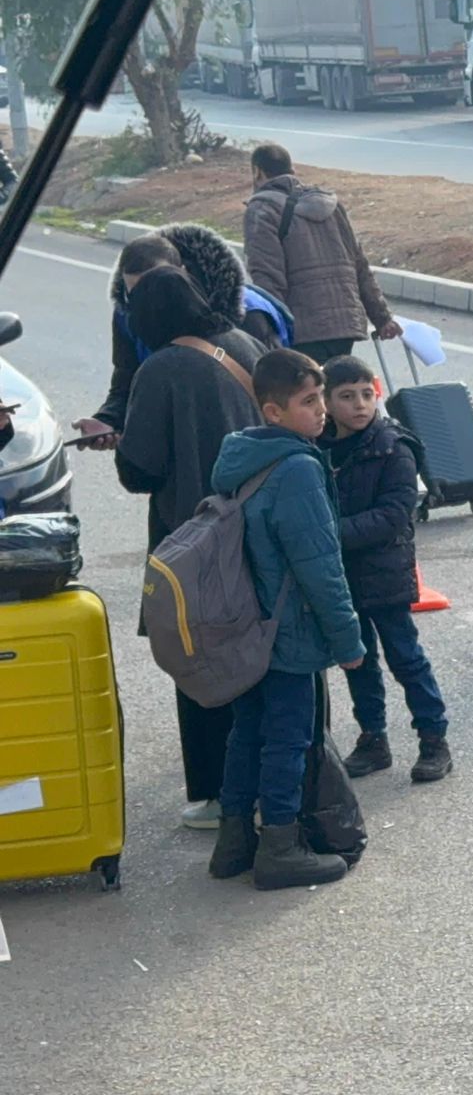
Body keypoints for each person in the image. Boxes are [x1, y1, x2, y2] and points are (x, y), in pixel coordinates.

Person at [205, 350, 366, 891]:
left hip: (248, 627)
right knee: (289, 738)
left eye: (320, 398)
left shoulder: (241, 458)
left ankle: (233, 842)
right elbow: (320, 567)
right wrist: (348, 641)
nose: (321, 411)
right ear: (273, 412)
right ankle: (281, 845)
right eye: (307, 402)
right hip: (289, 631)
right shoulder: (297, 469)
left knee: (247, 731)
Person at [112, 268, 268, 829]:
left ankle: (217, 794)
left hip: (194, 540)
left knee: (197, 659)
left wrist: (118, 443)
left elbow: (141, 469)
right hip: (260, 524)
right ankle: (273, 778)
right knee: (260, 652)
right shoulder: (243, 345)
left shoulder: (160, 369)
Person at [319, 355, 453, 784]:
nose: (360, 405)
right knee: (357, 661)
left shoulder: (393, 446)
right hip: (341, 578)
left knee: (406, 658)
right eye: (346, 396)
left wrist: (327, 534)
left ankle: (434, 739)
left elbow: (395, 514)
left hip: (385, 575)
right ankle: (373, 738)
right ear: (325, 401)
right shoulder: (318, 446)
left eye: (366, 394)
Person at [72, 228, 293, 452]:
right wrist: (108, 420)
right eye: (135, 292)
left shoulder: (251, 314)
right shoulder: (129, 314)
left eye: (156, 283)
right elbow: (125, 381)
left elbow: (282, 398)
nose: (147, 300)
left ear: (182, 272)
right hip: (175, 454)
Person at [243, 143, 400, 363]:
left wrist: (271, 333)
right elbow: (359, 265)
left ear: (257, 171)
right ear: (292, 171)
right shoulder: (331, 205)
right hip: (345, 326)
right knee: (337, 391)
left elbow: (267, 277)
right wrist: (382, 318)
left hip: (302, 330)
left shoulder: (262, 210)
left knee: (309, 394)